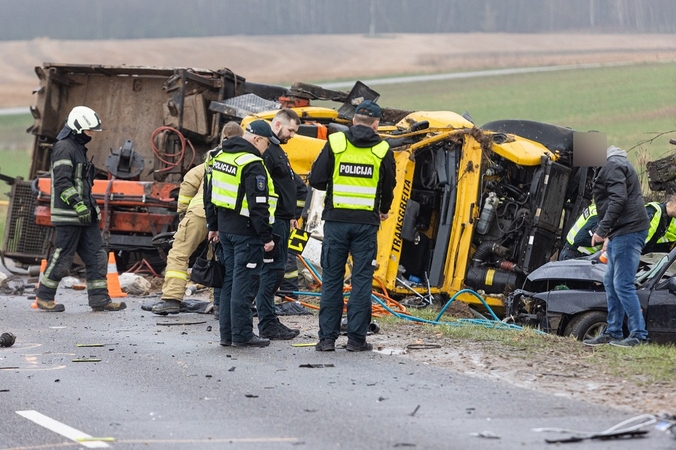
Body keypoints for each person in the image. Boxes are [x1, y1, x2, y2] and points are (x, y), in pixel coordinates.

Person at [309, 100, 396, 352]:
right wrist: (383, 209)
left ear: (354, 119)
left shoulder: (336, 143)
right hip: (366, 225)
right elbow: (389, 186)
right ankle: (357, 340)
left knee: (332, 280)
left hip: (336, 223)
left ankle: (327, 340)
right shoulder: (382, 149)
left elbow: (317, 179)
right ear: (377, 124)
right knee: (361, 281)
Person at [36, 106, 126, 312]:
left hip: (85, 215)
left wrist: (88, 208)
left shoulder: (78, 148)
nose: (92, 134)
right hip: (69, 215)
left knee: (97, 255)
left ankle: (99, 299)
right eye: (89, 131)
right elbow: (61, 182)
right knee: (63, 257)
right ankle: (44, 297)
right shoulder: (64, 147)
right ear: (77, 129)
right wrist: (77, 204)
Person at [152, 122, 243, 315]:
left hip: (200, 213)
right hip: (227, 218)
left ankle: (171, 299)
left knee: (179, 253)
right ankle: (219, 304)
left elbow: (188, 182)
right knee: (220, 260)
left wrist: (183, 211)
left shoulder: (212, 159)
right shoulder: (244, 160)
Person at [205, 120, 279, 348]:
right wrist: (266, 237)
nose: (267, 149)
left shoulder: (220, 156)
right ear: (256, 139)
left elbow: (209, 194)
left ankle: (227, 335)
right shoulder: (252, 163)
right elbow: (258, 205)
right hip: (247, 233)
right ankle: (242, 334)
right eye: (267, 143)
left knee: (228, 283)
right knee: (243, 285)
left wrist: (213, 225)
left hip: (225, 231)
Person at [584, 145, 650, 347]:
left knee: (622, 283)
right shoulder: (612, 164)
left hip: (628, 230)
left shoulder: (612, 165)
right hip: (620, 231)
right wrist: (609, 234)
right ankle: (613, 332)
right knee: (611, 281)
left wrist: (602, 230)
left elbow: (618, 199)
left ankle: (639, 335)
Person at [254, 109, 306, 340]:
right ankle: (266, 323)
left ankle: (269, 319)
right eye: (290, 130)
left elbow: (293, 186)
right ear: (277, 125)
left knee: (275, 273)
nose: (292, 135)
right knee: (271, 272)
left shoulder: (278, 152)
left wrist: (293, 212)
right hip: (273, 223)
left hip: (283, 221)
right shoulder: (268, 153)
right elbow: (261, 190)